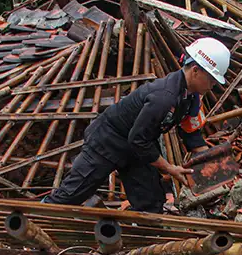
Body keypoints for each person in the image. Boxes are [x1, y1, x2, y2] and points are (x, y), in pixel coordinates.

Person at [44, 36, 230, 213]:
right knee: (72, 194)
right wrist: (170, 168)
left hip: (138, 147)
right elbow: (138, 139)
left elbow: (192, 135)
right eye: (212, 78)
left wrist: (214, 165)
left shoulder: (192, 98)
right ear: (195, 70)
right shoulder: (164, 96)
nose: (213, 84)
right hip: (108, 140)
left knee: (151, 202)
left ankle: (145, 238)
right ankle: (34, 223)